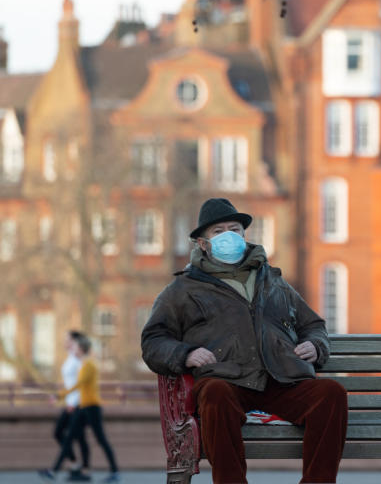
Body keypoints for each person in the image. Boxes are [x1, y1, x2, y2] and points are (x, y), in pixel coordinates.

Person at [141, 197, 348, 484]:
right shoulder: (182, 289)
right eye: (218, 231)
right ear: (203, 243)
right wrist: (185, 354)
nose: (229, 236)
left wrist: (315, 345)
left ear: (244, 235)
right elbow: (153, 340)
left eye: (235, 229)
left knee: (331, 394)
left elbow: (314, 325)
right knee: (214, 395)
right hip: (227, 381)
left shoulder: (273, 281)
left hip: (281, 379)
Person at [39, 332, 121, 483]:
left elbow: (78, 385)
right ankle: (53, 471)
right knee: (69, 437)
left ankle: (115, 471)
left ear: (81, 349)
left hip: (92, 408)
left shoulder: (89, 365)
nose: (72, 348)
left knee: (101, 439)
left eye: (75, 346)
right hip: (83, 407)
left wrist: (58, 396)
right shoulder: (84, 364)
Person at [52, 331, 89, 480]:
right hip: (71, 403)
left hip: (78, 404)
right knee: (69, 435)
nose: (64, 341)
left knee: (73, 436)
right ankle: (77, 466)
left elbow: (82, 384)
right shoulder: (70, 357)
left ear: (74, 341)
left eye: (67, 339)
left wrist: (75, 403)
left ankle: (80, 469)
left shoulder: (79, 360)